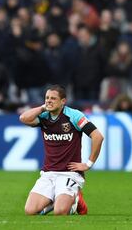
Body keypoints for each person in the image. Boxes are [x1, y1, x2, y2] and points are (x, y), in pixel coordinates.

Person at [19, 84, 104, 215]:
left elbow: (97, 136)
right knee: (29, 211)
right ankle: (59, 199)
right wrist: (42, 108)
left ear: (63, 101)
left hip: (69, 173)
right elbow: (23, 118)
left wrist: (88, 164)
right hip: (48, 173)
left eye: (53, 98)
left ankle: (75, 199)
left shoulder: (74, 116)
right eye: (47, 98)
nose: (48, 101)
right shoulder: (44, 116)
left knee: (60, 212)